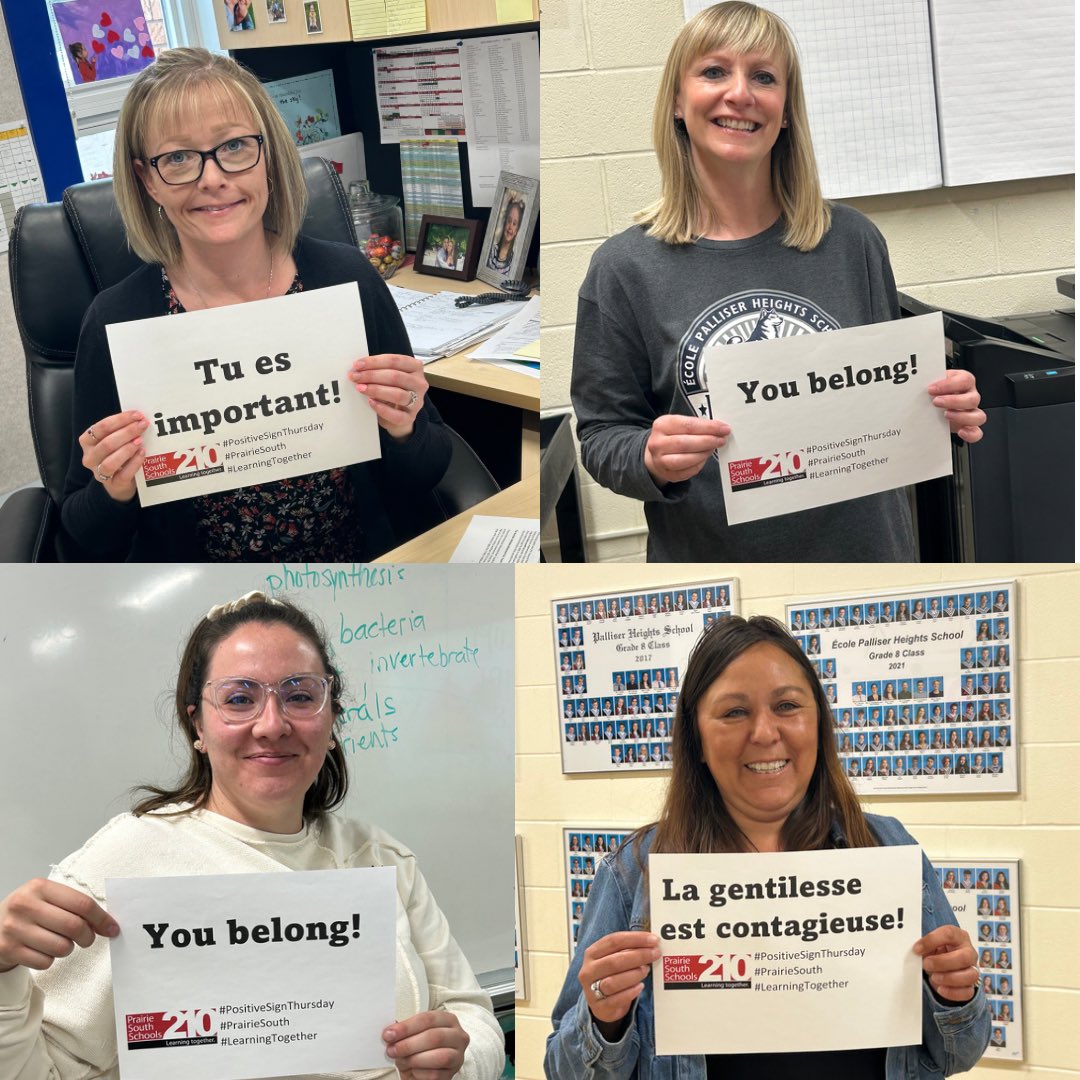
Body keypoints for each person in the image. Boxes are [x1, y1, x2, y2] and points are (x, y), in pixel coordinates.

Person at [0, 592, 502, 1080]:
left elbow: (474, 1017)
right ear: (196, 723)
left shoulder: (379, 856)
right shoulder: (122, 866)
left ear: (331, 720)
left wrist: (457, 1061)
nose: (272, 724)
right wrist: (2, 970)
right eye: (240, 699)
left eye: (300, 696)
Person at [569, 2, 985, 562]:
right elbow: (600, 436)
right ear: (676, 100)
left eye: (764, 77)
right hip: (721, 573)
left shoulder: (852, 241)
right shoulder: (623, 268)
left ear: (786, 111)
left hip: (867, 562)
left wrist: (943, 407)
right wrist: (648, 455)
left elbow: (889, 399)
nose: (740, 94)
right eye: (714, 71)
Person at [546, 615, 989, 1079]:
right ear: (696, 738)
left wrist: (954, 995)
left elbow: (958, 1055)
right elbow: (563, 1069)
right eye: (734, 712)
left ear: (818, 723)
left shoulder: (887, 847)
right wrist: (603, 1020)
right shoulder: (633, 872)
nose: (763, 733)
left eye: (787, 705)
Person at [61, 49, 449, 560]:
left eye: (235, 146)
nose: (212, 178)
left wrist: (404, 429)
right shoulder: (119, 321)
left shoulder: (345, 280)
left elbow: (429, 465)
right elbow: (81, 531)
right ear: (146, 179)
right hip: (213, 605)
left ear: (268, 155)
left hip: (362, 574)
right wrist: (113, 488)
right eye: (178, 157)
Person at [487, 195, 524, 274]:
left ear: (516, 231)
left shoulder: (513, 261)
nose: (510, 227)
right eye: (509, 221)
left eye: (514, 224)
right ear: (504, 223)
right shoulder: (491, 252)